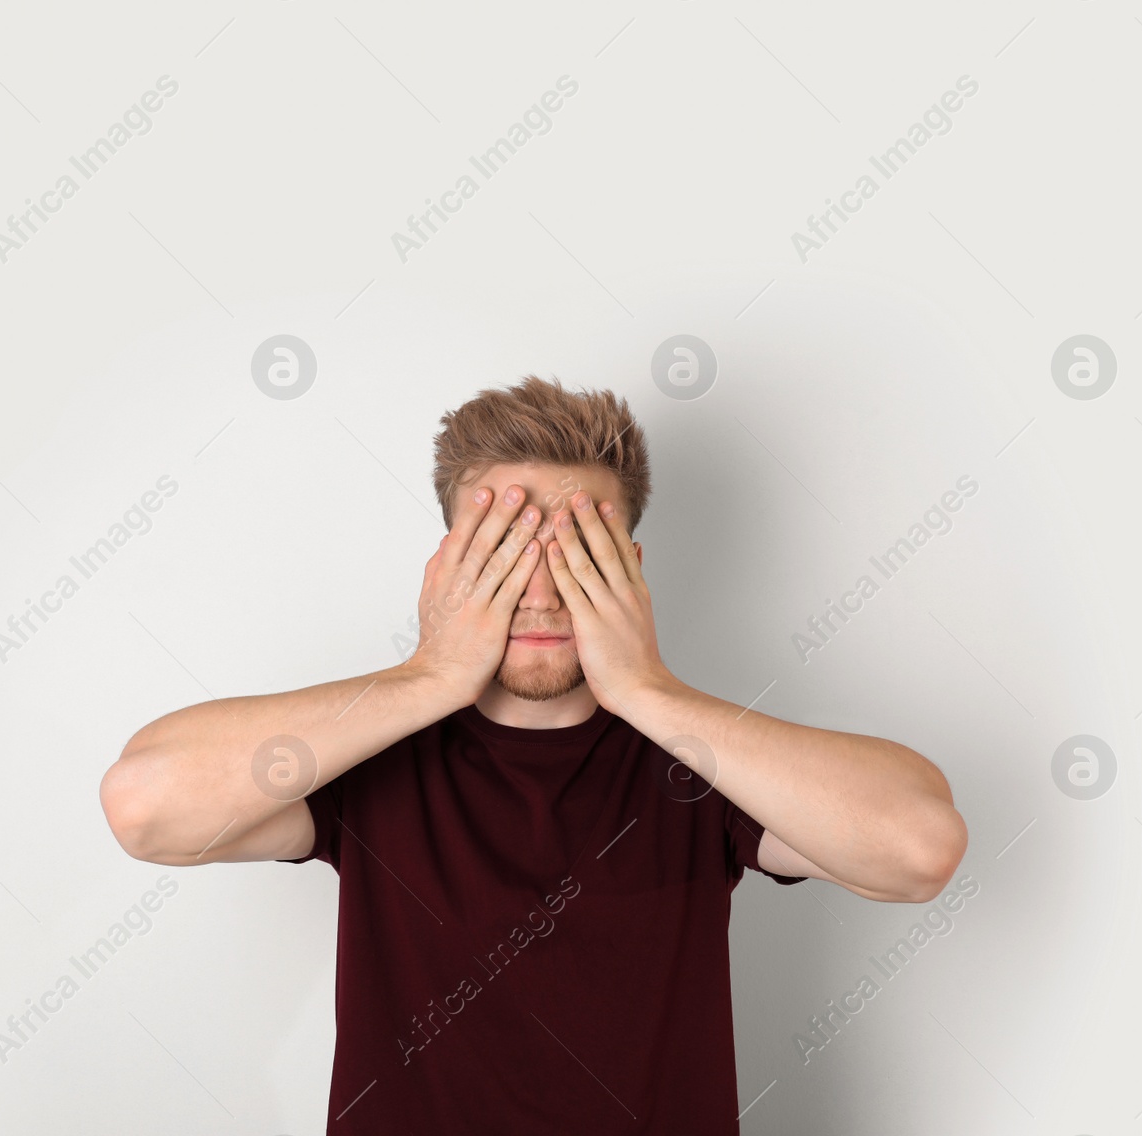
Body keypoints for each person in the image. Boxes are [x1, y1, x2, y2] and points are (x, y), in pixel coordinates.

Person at [100, 374, 967, 1133]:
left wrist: (649, 690)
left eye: (578, 552)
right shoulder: (370, 753)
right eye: (509, 550)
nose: (544, 589)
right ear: (448, 565)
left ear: (629, 569)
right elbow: (145, 804)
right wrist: (429, 675)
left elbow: (920, 846)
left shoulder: (699, 762)